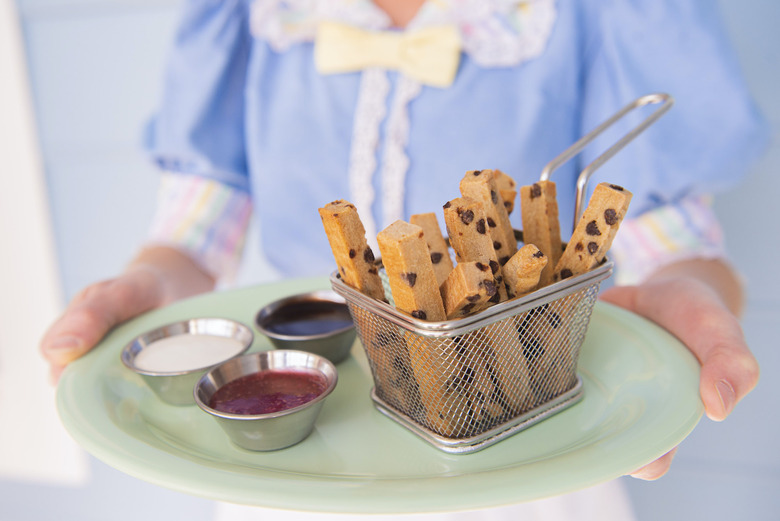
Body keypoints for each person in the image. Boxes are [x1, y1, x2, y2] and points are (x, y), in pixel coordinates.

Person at [40, 0, 766, 519]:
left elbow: (668, 232)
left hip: (525, 463)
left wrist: (688, 290)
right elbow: (195, 231)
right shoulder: (249, 13)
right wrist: (148, 283)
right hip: (304, 463)